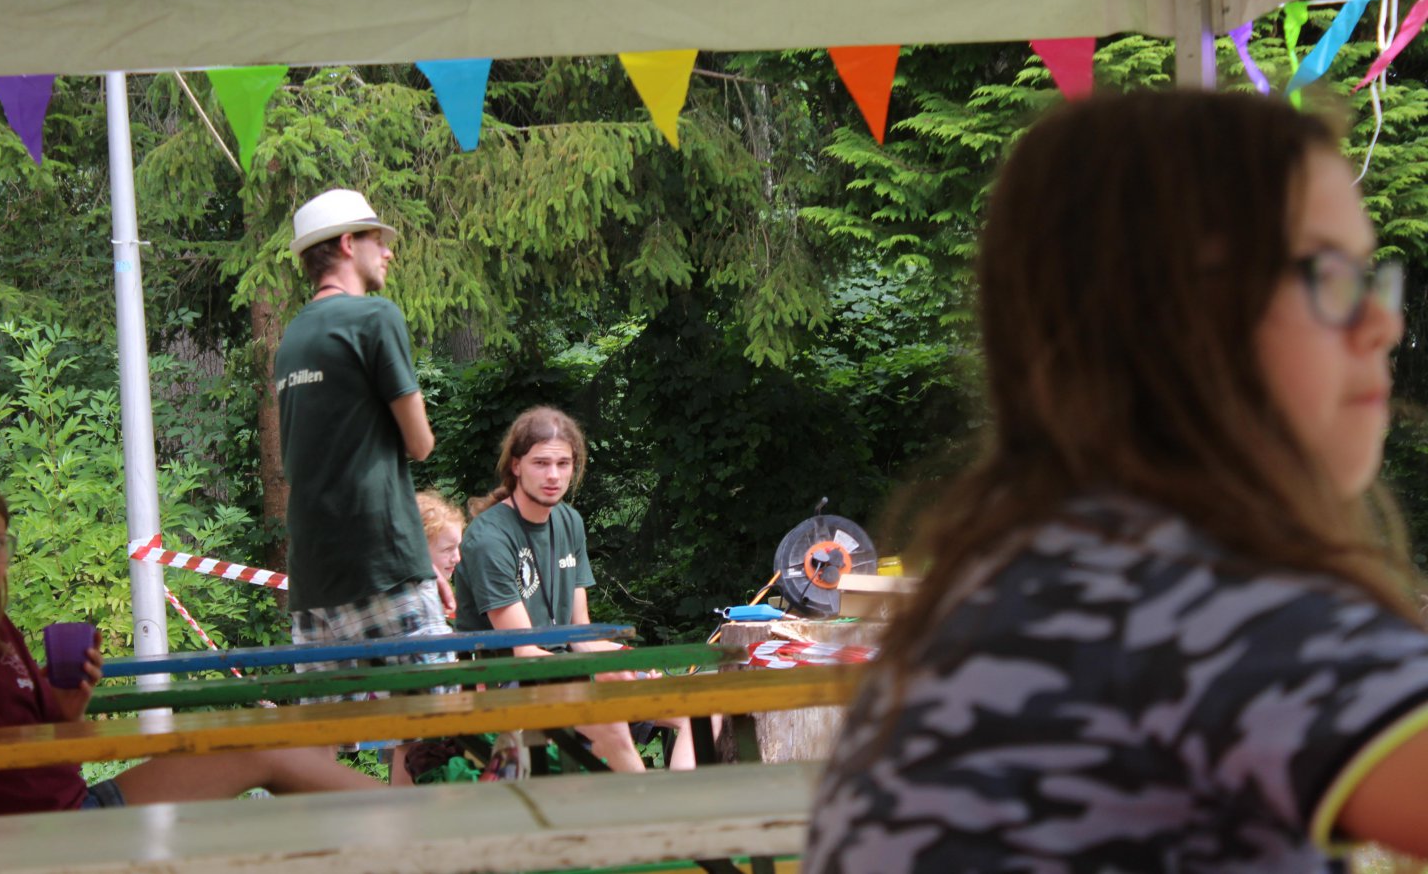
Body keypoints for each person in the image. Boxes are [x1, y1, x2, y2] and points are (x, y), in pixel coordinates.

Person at [805, 90, 1428, 870]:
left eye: (1372, 277)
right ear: (1172, 309)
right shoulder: (1198, 592)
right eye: (1328, 273)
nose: (1384, 323)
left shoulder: (1028, 574)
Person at [0, 462, 378, 822]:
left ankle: (414, 825)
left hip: (80, 812)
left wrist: (67, 707)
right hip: (23, 850)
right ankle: (424, 822)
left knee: (266, 745)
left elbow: (56, 739)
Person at [273, 188, 450, 786]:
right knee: (428, 727)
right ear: (348, 244)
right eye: (379, 239)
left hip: (314, 575)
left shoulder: (292, 338)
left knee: (323, 742)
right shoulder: (376, 317)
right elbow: (420, 443)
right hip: (384, 560)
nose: (389, 253)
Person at [456, 406, 701, 772]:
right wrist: (594, 671)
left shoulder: (569, 522)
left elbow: (581, 633)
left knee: (699, 711)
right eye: (541, 463)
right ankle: (653, 813)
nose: (554, 475)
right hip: (505, 684)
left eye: (563, 463)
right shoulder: (489, 538)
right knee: (610, 722)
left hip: (567, 670)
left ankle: (681, 816)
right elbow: (522, 654)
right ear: (516, 466)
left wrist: (625, 660)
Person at [417, 489, 464, 618]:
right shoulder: (421, 596)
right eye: (448, 549)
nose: (457, 558)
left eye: (457, 547)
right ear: (420, 549)